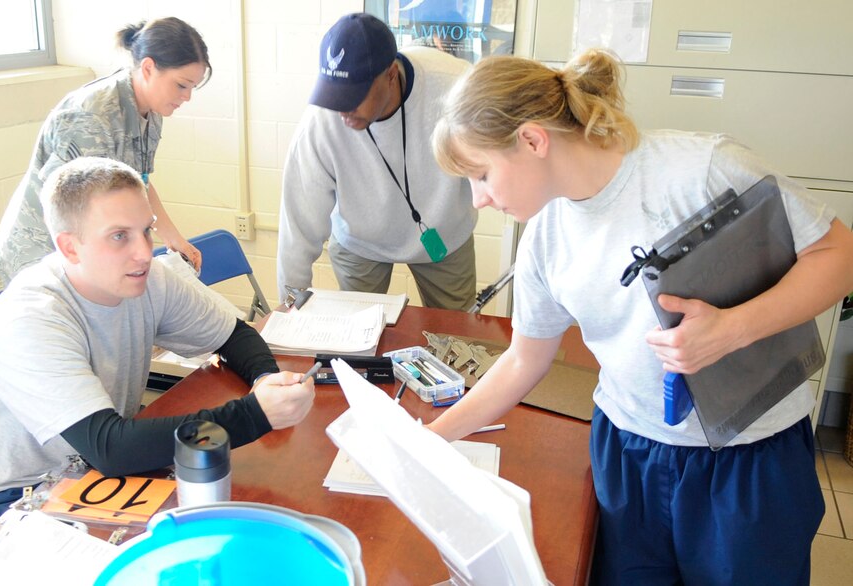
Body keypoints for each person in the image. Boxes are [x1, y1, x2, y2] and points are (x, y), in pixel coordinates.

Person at [427, 50, 853, 585]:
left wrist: (731, 328)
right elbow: (522, 361)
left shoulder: (699, 170)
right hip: (630, 454)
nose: (478, 200)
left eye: (482, 174)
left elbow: (840, 255)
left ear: (533, 141)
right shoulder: (543, 237)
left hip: (749, 458)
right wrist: (429, 438)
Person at [0, 157, 315, 532]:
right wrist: (255, 415)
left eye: (146, 230)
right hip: (16, 492)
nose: (145, 252)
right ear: (69, 248)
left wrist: (264, 379)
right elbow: (111, 448)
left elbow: (234, 334)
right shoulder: (31, 318)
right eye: (119, 236)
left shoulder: (148, 278)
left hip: (91, 467)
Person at [277, 13, 478, 310]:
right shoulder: (320, 121)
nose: (342, 109)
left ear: (390, 75)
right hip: (360, 241)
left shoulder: (456, 88)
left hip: (444, 236)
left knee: (460, 334)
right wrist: (289, 306)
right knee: (359, 339)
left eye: (354, 95)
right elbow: (298, 222)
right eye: (334, 95)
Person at [0, 16, 208, 285]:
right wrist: (135, 254)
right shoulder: (92, 115)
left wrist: (174, 240)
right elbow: (75, 208)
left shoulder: (151, 111)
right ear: (149, 68)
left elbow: (138, 182)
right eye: (181, 85)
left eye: (192, 88)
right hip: (42, 248)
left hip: (87, 243)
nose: (187, 96)